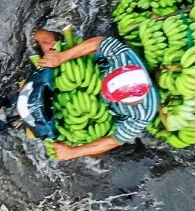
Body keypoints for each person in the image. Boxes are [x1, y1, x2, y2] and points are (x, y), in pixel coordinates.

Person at [34, 29, 159, 161]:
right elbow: (99, 42)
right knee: (46, 42)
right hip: (90, 76)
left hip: (102, 114)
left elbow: (115, 140)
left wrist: (72, 152)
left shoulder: (143, 113)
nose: (103, 94)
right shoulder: (124, 59)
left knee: (95, 153)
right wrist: (62, 57)